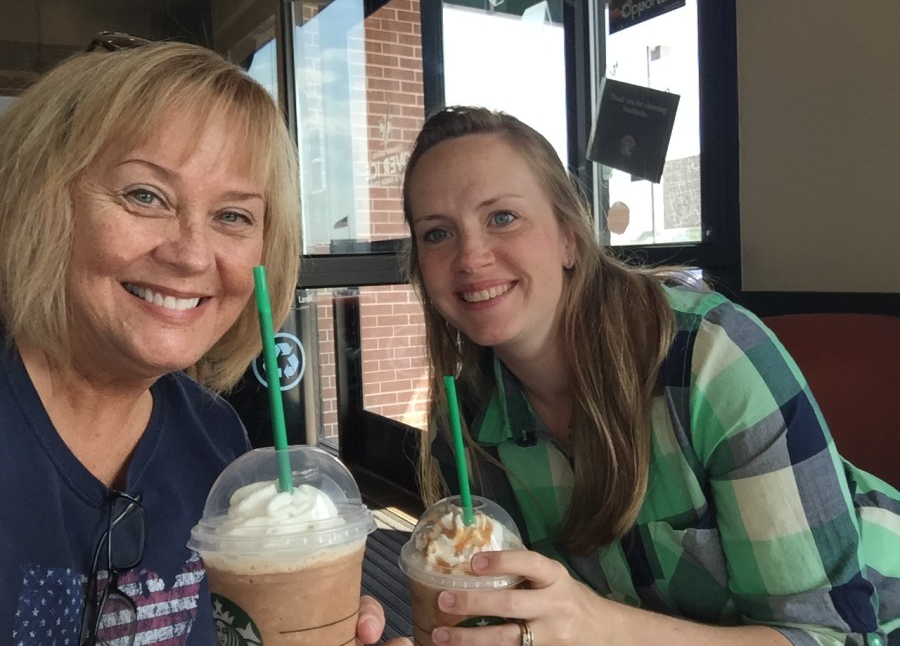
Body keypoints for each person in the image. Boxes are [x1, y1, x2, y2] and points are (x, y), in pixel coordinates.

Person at [401, 106, 900, 645]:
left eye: (502, 217)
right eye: (437, 233)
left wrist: (595, 626)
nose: (470, 257)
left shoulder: (711, 358)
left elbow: (827, 635)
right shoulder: (466, 423)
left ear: (570, 236)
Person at [0, 40, 409, 646]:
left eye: (232, 216)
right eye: (145, 195)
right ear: (42, 202)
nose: (192, 255)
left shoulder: (214, 440)